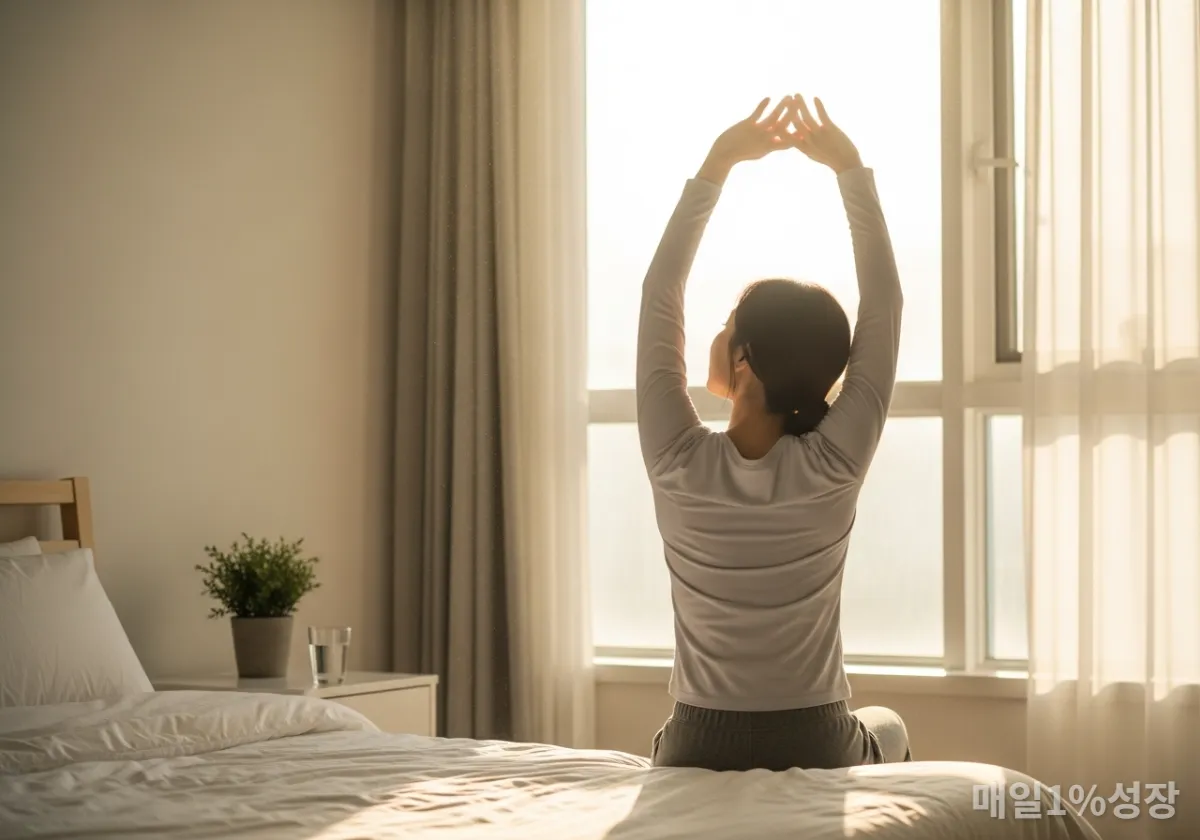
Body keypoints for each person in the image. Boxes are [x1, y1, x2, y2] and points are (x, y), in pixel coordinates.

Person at [637, 94, 911, 772]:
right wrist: (849, 172)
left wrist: (718, 166)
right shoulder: (836, 462)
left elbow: (659, 294)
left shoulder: (676, 457)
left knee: (660, 753)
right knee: (891, 726)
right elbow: (886, 304)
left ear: (744, 358)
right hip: (814, 737)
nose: (716, 331)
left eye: (729, 322)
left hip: (697, 741)